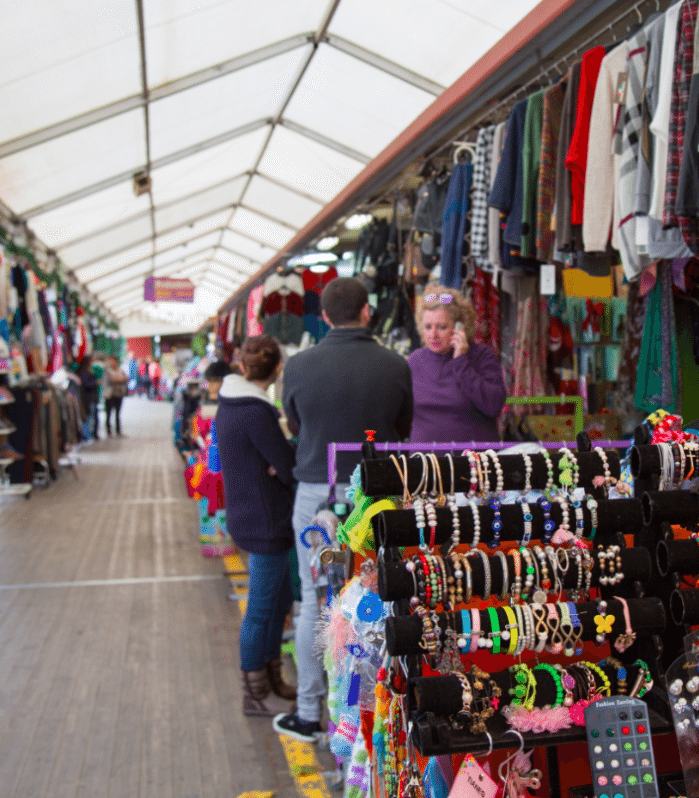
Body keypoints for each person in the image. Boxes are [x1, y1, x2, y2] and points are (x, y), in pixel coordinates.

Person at [277, 277, 412, 742]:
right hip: (377, 499)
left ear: (324, 314)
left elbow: (295, 424)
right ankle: (377, 719)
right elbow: (403, 427)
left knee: (317, 601)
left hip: (319, 495)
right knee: (381, 599)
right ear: (368, 312)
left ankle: (310, 711)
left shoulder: (297, 366)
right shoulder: (396, 364)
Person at [214, 336, 298, 716]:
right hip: (267, 521)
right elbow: (284, 464)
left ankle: (271, 675)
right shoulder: (256, 411)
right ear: (277, 370)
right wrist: (283, 460)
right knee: (263, 609)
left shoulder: (230, 403)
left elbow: (272, 462)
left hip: (249, 516)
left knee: (275, 603)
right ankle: (253, 691)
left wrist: (275, 463)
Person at [408, 284, 507, 443]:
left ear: (460, 327)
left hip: (473, 462)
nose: (433, 335)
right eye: (427, 327)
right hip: (424, 463)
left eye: (442, 327)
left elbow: (493, 406)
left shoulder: (481, 356)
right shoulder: (415, 361)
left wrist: (461, 362)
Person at [103, 355, 128, 436]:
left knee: (118, 413)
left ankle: (118, 430)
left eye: (113, 361)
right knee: (109, 413)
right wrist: (119, 379)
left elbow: (125, 379)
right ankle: (108, 431)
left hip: (119, 394)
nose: (112, 362)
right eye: (111, 361)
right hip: (110, 394)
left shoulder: (120, 370)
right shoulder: (107, 371)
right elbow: (111, 380)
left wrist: (118, 379)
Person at [78, 355, 101, 440]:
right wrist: (96, 383)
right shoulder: (84, 372)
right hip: (88, 398)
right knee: (89, 417)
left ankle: (90, 435)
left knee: (92, 417)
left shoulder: (88, 371)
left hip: (92, 397)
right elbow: (86, 384)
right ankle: (87, 436)